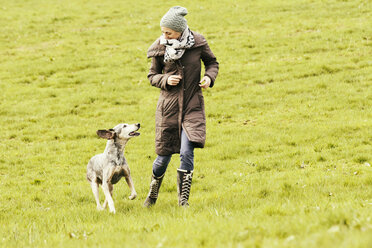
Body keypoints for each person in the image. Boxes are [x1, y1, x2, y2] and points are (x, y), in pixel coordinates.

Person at [144, 6, 219, 207]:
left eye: (168, 32)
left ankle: (183, 201)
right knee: (163, 158)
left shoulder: (198, 43)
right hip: (168, 108)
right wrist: (166, 79)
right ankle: (152, 195)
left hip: (192, 105)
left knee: (187, 151)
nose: (164, 35)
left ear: (180, 30)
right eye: (162, 31)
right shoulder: (159, 48)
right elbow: (152, 76)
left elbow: (212, 63)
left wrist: (208, 78)